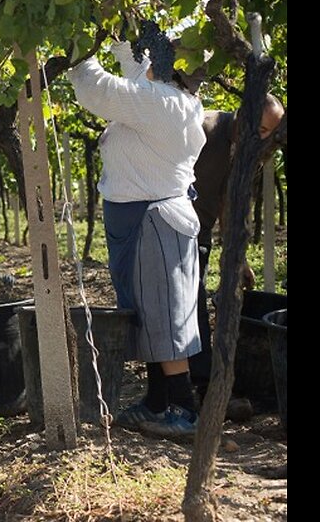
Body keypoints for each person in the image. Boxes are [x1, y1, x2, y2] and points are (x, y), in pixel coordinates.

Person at [69, 33, 205, 438]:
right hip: (144, 217)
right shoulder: (167, 98)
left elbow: (97, 89)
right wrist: (120, 35)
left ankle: (184, 409)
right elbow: (135, 71)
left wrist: (78, 45)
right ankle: (156, 402)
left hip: (154, 220)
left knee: (164, 315)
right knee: (149, 313)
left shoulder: (160, 102)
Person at [188, 95, 285, 399]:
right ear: (242, 115)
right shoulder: (203, 129)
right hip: (173, 226)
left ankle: (200, 381)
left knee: (194, 301)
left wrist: (237, 256)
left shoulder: (252, 150)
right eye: (260, 129)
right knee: (189, 301)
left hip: (200, 231)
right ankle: (196, 384)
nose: (263, 138)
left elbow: (229, 199)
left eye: (270, 133)